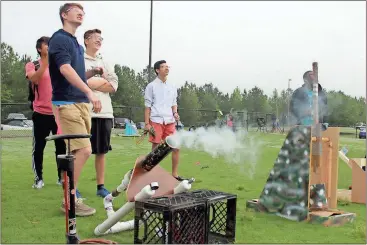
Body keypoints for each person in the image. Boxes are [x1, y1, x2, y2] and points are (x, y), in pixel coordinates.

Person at [48, 2, 102, 217]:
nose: (81, 13)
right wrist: (90, 92)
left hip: (80, 103)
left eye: (83, 11)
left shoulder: (76, 44)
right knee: (84, 150)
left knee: (75, 152)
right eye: (75, 10)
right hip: (67, 103)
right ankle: (69, 199)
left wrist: (91, 74)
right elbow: (64, 69)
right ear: (64, 15)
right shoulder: (59, 38)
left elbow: (76, 75)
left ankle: (71, 195)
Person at [25, 36, 67, 189]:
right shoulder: (33, 65)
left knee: (62, 148)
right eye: (46, 44)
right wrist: (45, 63)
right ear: (39, 48)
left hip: (58, 114)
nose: (50, 46)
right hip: (41, 113)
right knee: (39, 147)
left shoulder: (58, 66)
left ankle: (61, 178)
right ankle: (39, 179)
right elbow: (34, 79)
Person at [84, 29, 119, 198]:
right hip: (85, 112)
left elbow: (113, 85)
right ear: (86, 40)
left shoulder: (105, 61)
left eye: (101, 39)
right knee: (80, 151)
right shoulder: (79, 59)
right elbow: (80, 80)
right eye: (95, 38)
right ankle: (73, 188)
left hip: (104, 113)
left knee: (101, 152)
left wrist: (94, 84)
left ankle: (100, 186)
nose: (99, 41)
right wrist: (98, 82)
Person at [144, 60, 185, 180]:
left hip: (170, 121)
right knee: (156, 149)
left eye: (167, 66)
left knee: (176, 147)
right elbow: (147, 106)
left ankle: (175, 175)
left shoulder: (172, 86)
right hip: (156, 120)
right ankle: (151, 174)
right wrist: (147, 123)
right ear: (157, 70)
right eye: (163, 67)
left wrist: (175, 113)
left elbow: (174, 103)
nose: (167, 68)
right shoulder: (151, 86)